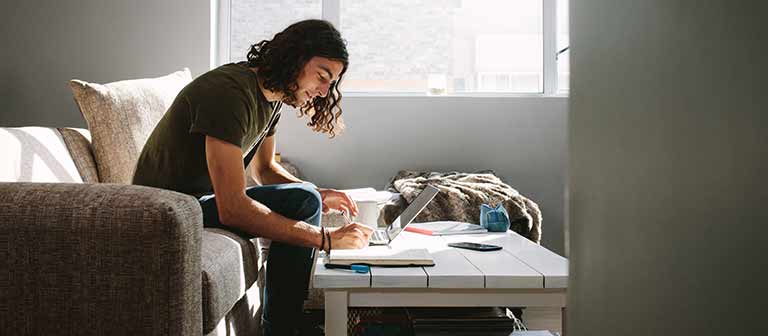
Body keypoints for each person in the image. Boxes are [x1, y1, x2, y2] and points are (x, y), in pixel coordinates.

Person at [132, 19, 373, 335]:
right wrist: (325, 239)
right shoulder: (229, 94)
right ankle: (283, 327)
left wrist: (318, 191)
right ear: (296, 58)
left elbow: (264, 169)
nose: (325, 91)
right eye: (322, 76)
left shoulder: (271, 98)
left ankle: (282, 324)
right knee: (303, 201)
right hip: (167, 209)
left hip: (196, 201)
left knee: (305, 197)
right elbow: (232, 206)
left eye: (332, 82)